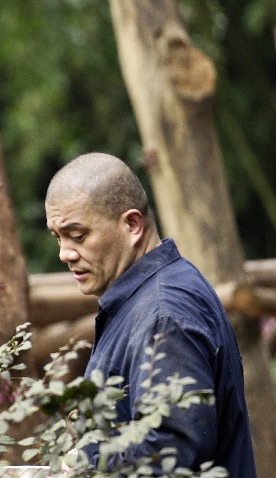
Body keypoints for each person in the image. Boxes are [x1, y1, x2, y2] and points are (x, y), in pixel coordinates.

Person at [44, 152, 257, 476]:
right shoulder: (146, 299)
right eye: (58, 237)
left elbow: (169, 452)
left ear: (132, 225)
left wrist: (84, 461)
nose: (65, 253)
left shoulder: (163, 313)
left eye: (78, 235)